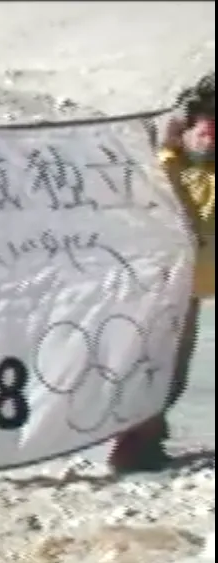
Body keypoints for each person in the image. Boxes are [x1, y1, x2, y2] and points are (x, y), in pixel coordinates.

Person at [108, 73, 214, 474]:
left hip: (191, 294)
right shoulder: (164, 171)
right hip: (159, 292)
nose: (209, 138)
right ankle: (135, 450)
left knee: (173, 374)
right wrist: (169, 148)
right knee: (155, 371)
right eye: (203, 129)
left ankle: (145, 443)